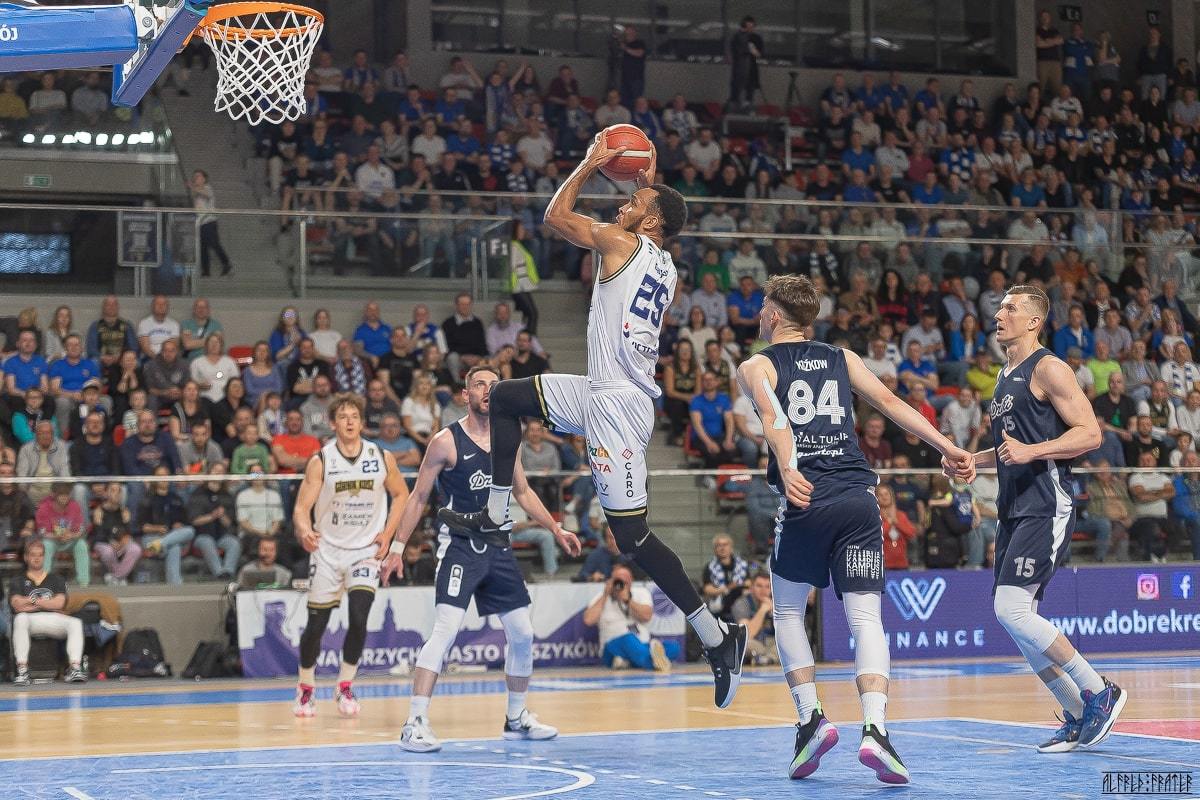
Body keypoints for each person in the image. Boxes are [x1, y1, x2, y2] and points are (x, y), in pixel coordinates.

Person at [439, 132, 748, 708]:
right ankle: (497, 510)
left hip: (617, 407)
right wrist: (647, 178)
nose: (624, 203)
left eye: (635, 202)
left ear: (650, 222)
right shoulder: (666, 263)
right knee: (502, 398)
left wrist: (588, 164)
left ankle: (715, 636)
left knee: (632, 537)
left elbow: (555, 216)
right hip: (599, 389)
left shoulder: (618, 241)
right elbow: (660, 206)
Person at [735, 274, 974, 784]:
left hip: (808, 498)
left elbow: (774, 417)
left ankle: (811, 719)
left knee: (787, 610)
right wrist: (947, 446)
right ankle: (876, 730)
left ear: (774, 316)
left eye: (762, 307)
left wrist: (789, 464)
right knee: (866, 620)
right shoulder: (841, 358)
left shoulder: (756, 364)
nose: (758, 314)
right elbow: (892, 404)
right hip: (859, 501)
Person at [380, 366, 579, 751]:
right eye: (479, 385)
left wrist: (555, 529)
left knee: (522, 633)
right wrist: (397, 548)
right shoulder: (445, 441)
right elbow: (418, 498)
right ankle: (414, 722)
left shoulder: (509, 436)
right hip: (460, 546)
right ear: (465, 395)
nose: (487, 390)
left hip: (498, 546)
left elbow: (522, 491)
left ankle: (516, 719)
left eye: (493, 385)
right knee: (446, 629)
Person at [967, 284, 1127, 754]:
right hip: (1013, 507)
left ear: (1034, 321)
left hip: (1045, 502)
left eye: (1010, 309)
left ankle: (1098, 691)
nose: (999, 315)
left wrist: (1033, 451)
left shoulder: (1049, 367)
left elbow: (1091, 434)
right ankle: (1075, 711)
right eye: (999, 308)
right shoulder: (1004, 375)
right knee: (1017, 618)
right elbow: (1011, 450)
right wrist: (974, 460)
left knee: (1011, 610)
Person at [292, 394, 409, 719]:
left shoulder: (380, 456)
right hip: (327, 551)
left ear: (361, 422)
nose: (349, 421)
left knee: (359, 617)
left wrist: (388, 534)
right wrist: (305, 530)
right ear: (333, 423)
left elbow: (402, 494)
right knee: (317, 625)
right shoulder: (322, 460)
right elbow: (301, 508)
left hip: (365, 551)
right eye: (343, 416)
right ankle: (306, 687)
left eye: (354, 416)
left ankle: (345, 685)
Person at [9, 540, 87, 685]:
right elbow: (16, 605)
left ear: (45, 557)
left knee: (75, 623)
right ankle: (22, 670)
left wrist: (31, 602)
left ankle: (75, 668)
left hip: (53, 619)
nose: (37, 558)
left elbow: (60, 603)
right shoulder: (17, 580)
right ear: (26, 557)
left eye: (40, 555)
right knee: (20, 619)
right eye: (33, 555)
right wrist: (47, 603)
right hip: (30, 621)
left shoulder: (56, 579)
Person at [583, 563, 676, 672]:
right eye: (617, 580)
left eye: (625, 581)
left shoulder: (641, 593)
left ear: (631, 581)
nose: (620, 585)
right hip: (612, 647)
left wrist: (628, 601)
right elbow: (588, 620)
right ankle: (653, 663)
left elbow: (647, 616)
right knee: (628, 638)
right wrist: (605, 595)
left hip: (642, 644)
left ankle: (628, 662)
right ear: (611, 580)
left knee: (674, 647)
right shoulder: (601, 597)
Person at [731, 571, 777, 666]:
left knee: (787, 645)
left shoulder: (776, 604)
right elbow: (748, 634)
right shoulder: (741, 603)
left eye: (767, 587)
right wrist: (763, 610)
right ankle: (768, 659)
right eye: (759, 586)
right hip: (754, 644)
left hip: (771, 644)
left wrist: (773, 613)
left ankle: (765, 659)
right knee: (744, 644)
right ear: (751, 588)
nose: (763, 590)